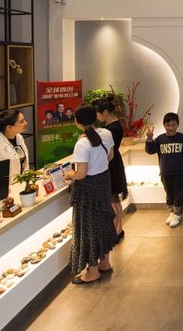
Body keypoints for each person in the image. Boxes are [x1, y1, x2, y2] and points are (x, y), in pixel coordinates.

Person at [63, 105, 117, 284]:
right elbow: (110, 157)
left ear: (77, 121)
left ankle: (92, 271)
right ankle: (105, 263)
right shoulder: (106, 133)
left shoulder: (82, 143)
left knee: (89, 227)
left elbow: (81, 174)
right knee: (103, 221)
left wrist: (69, 175)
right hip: (103, 181)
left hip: (87, 188)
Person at [145, 112, 183, 228]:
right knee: (169, 194)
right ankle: (172, 212)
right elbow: (150, 150)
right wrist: (149, 139)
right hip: (165, 172)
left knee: (179, 193)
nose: (171, 128)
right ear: (164, 125)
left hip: (179, 172)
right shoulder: (160, 139)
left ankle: (177, 214)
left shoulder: (181, 137)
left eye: (173, 125)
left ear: (177, 125)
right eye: (168, 125)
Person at [92, 96, 127, 242]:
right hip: (113, 163)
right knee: (114, 201)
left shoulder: (112, 128)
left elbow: (107, 150)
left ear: (105, 112)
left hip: (111, 165)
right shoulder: (111, 126)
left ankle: (116, 231)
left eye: (97, 113)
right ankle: (118, 229)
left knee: (113, 201)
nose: (96, 117)